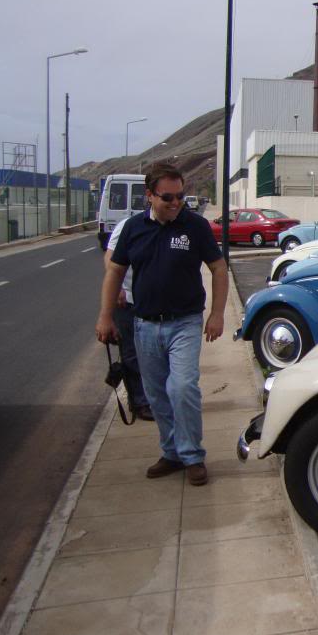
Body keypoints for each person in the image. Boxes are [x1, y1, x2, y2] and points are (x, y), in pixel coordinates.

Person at [95, 163, 228, 486]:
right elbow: (114, 272)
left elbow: (219, 269)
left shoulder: (194, 227)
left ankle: (193, 456)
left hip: (184, 323)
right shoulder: (132, 229)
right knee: (156, 395)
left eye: (180, 196)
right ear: (150, 196)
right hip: (144, 325)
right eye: (168, 197)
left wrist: (217, 313)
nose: (175, 203)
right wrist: (105, 316)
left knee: (182, 388)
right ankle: (172, 453)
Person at [105, 216, 153, 421]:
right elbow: (110, 258)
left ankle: (152, 398)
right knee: (131, 354)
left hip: (150, 302)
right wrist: (117, 289)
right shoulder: (128, 225)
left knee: (151, 354)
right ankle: (139, 402)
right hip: (127, 301)